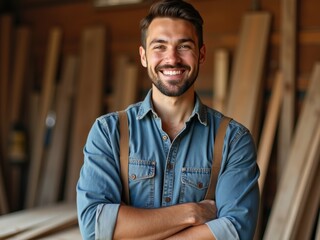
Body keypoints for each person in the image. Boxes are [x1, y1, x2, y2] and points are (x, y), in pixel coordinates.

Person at [77, 0, 260, 239]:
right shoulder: (108, 132)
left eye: (184, 46)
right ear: (143, 56)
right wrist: (192, 213)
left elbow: (236, 231)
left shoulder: (233, 140)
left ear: (201, 54)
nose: (172, 58)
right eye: (159, 46)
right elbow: (93, 227)